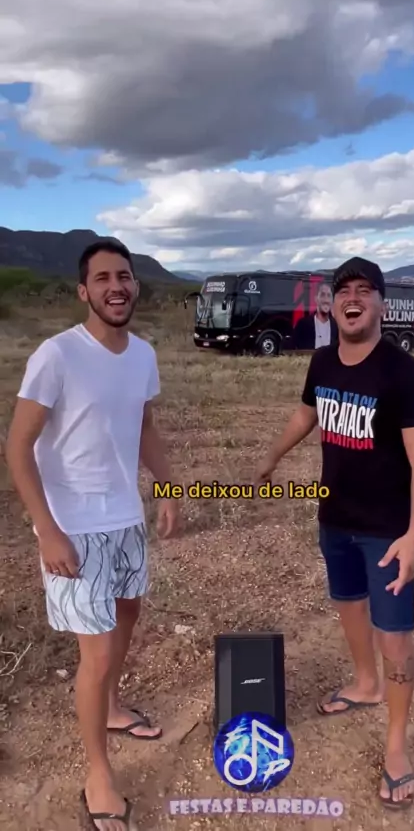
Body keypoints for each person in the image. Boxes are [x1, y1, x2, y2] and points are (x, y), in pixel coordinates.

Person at [6, 238, 179, 830]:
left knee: (127, 617)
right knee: (98, 651)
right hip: (74, 528)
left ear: (136, 285)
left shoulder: (143, 355)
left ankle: (109, 707)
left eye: (124, 276)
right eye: (103, 278)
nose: (116, 287)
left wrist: (168, 486)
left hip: (124, 518)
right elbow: (18, 446)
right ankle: (98, 774)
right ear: (84, 291)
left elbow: (144, 425)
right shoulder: (57, 355)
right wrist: (47, 531)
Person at [256, 256, 414, 810]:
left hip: (387, 531)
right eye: (343, 291)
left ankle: (396, 748)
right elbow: (306, 415)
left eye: (364, 290)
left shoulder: (403, 373)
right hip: (334, 518)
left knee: (395, 636)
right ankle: (365, 683)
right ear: (332, 304)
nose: (352, 298)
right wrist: (271, 457)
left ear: (381, 303)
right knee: (348, 604)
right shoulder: (322, 361)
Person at [292, 281, 338, 350]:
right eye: (322, 295)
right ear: (316, 299)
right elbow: (292, 348)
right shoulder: (303, 324)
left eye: (329, 296)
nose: (326, 300)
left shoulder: (336, 326)